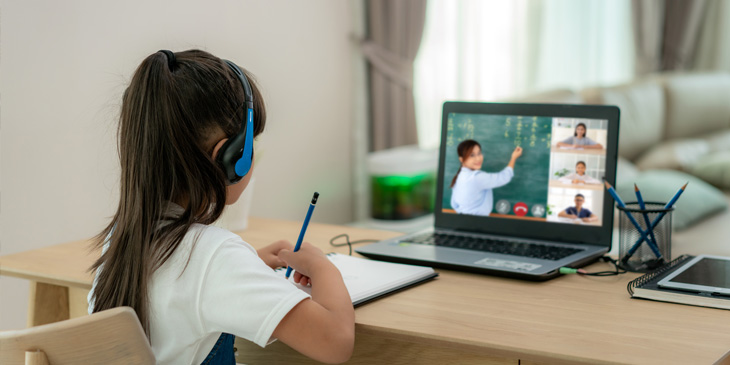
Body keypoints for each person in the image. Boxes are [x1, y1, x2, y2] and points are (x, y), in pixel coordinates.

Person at [87, 50, 354, 364]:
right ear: (231, 158)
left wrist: (246, 266)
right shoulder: (214, 257)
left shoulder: (122, 238)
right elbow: (335, 342)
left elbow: (186, 288)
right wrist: (324, 268)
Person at [450, 139, 522, 216]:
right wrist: (513, 158)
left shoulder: (459, 176)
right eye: (472, 155)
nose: (478, 158)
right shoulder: (476, 177)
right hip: (476, 222)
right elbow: (504, 177)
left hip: (463, 219)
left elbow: (454, 204)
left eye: (479, 153)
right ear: (461, 159)